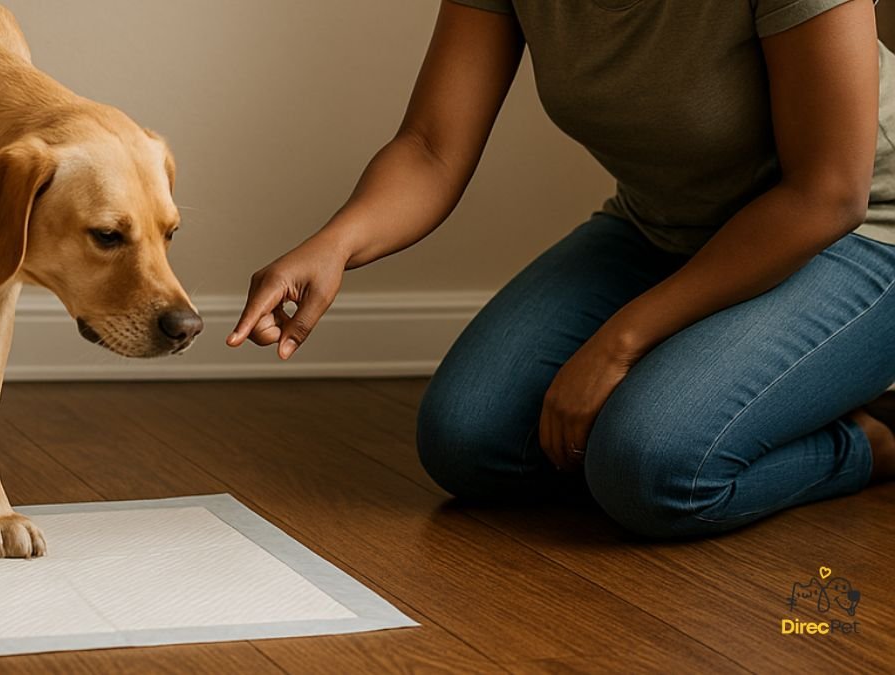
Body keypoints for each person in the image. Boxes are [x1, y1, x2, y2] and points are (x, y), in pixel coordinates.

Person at [227, 0, 895, 538]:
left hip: (857, 233)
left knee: (653, 468)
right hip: (664, 227)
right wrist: (334, 243)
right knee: (467, 438)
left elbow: (828, 193)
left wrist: (622, 340)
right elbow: (432, 146)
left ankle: (873, 441)